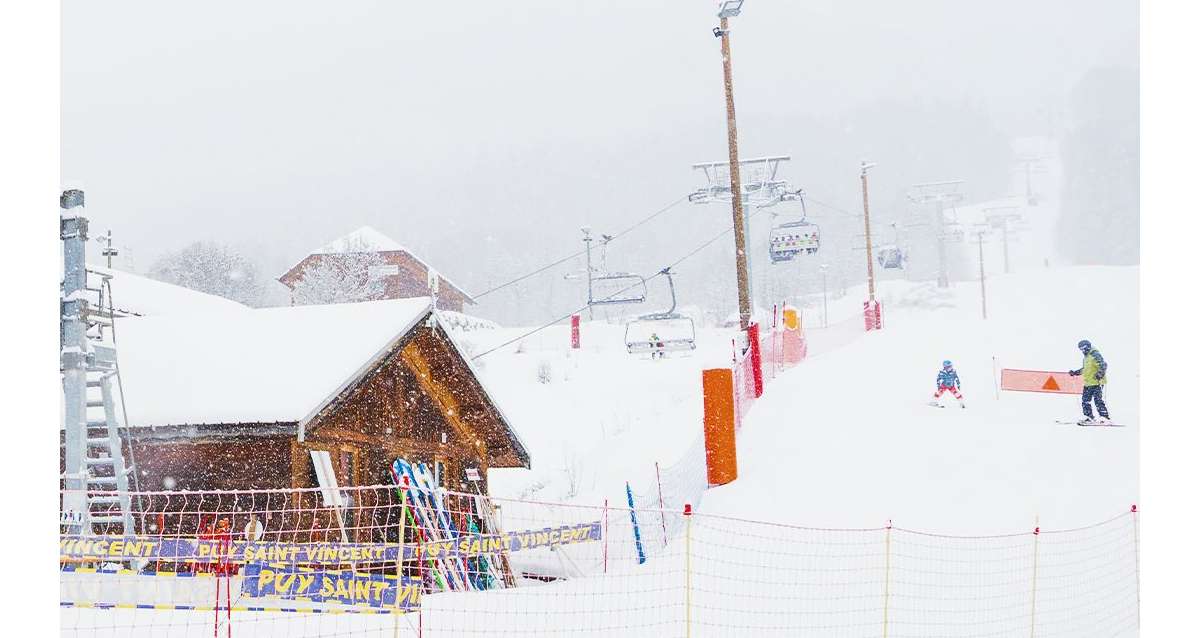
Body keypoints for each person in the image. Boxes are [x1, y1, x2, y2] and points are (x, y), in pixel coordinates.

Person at [1069, 339, 1110, 424]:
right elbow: (1085, 369)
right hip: (1088, 383)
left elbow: (1103, 365)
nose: (1083, 350)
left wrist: (1100, 374)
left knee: (1098, 400)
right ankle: (1088, 417)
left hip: (1097, 382)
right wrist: (1075, 372)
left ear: (1088, 346)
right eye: (1081, 349)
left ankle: (1104, 417)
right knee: (1085, 401)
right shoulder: (1086, 357)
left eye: (1084, 348)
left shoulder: (1095, 354)